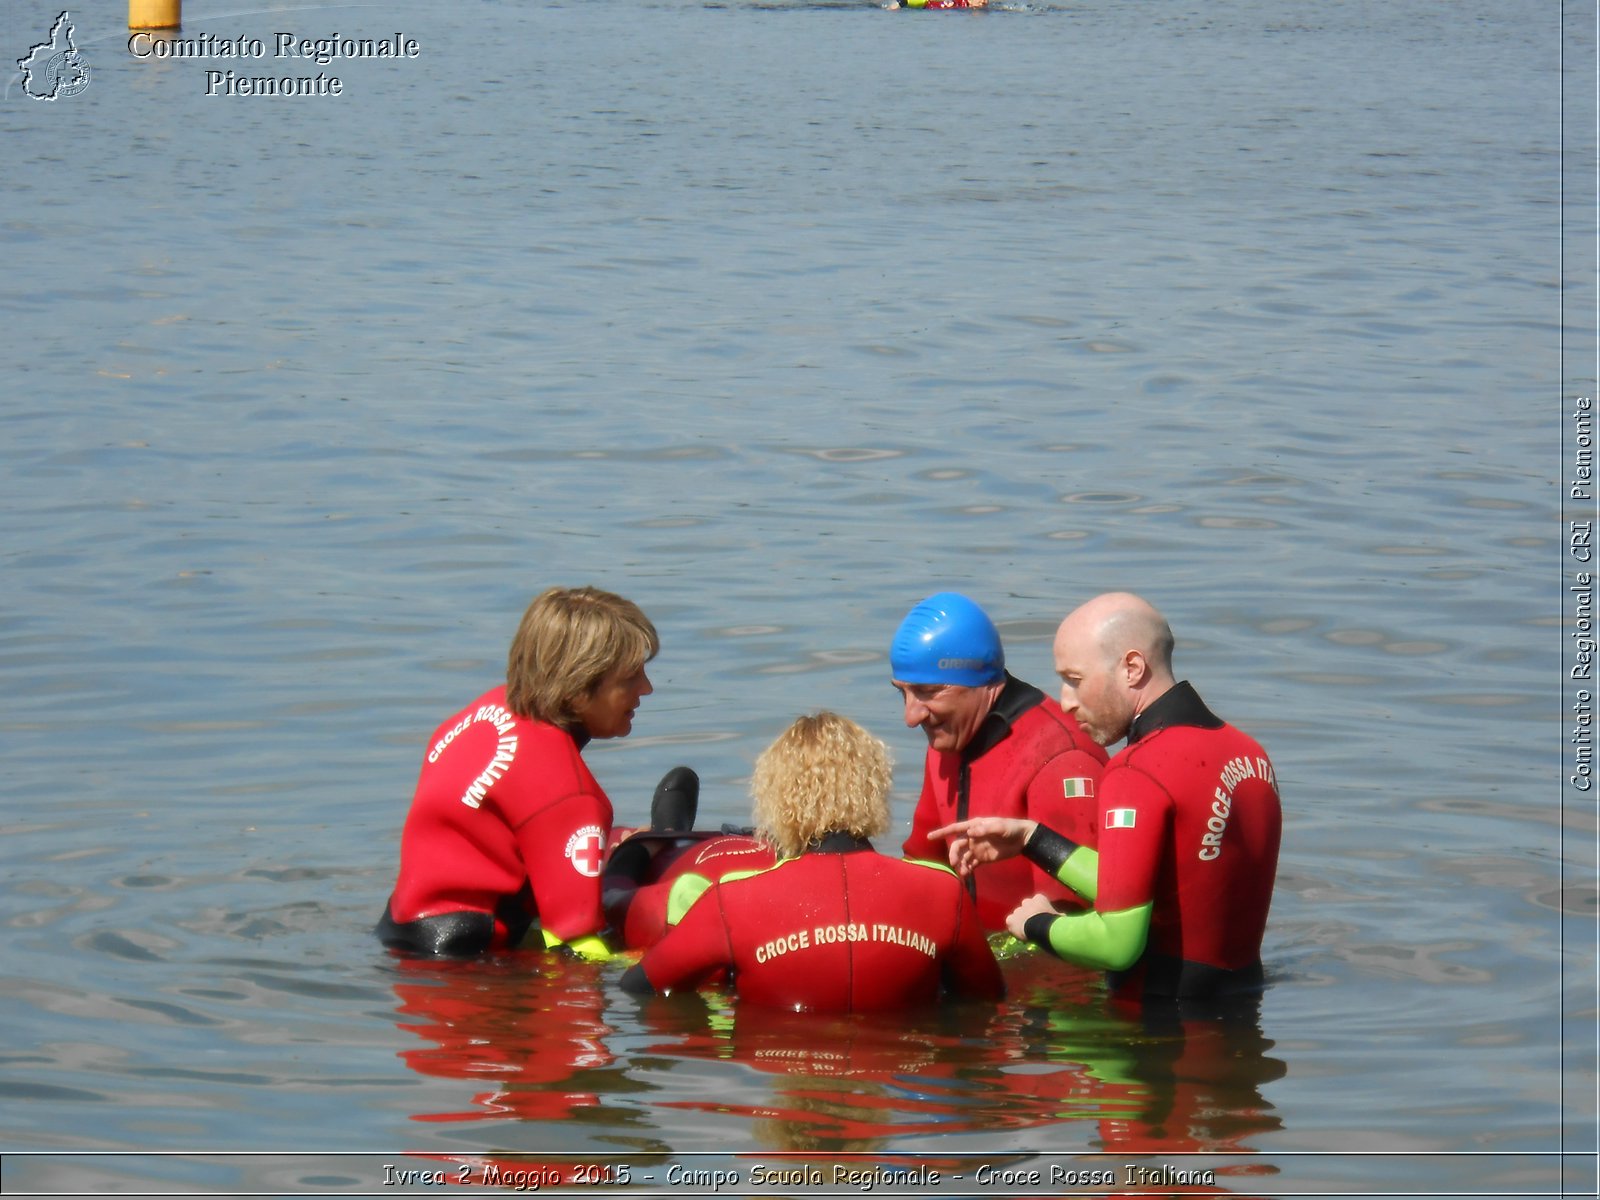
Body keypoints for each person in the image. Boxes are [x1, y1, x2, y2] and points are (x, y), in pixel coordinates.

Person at [932, 592, 1282, 1002]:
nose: (1065, 701)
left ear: (1132, 668)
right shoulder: (1248, 752)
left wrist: (1037, 924)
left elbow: (1116, 944)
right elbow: (1168, 885)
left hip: (1158, 1034)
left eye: (1075, 680)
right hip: (1239, 1011)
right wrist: (1033, 839)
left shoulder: (1137, 770)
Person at [376, 585, 698, 959]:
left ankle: (636, 846)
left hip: (401, 926)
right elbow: (577, 944)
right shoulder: (572, 797)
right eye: (629, 679)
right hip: (467, 961)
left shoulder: (479, 716)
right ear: (577, 689)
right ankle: (646, 849)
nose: (647, 688)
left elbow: (511, 818)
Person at [620, 712, 1004, 1011]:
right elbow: (987, 997)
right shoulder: (943, 892)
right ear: (875, 789)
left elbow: (639, 987)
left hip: (772, 1064)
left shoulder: (733, 901)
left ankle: (647, 844)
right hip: (900, 1087)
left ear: (776, 797)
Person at [891, 592, 1108, 930]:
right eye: (901, 692)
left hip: (1050, 969)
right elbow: (923, 866)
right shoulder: (947, 741)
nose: (911, 715)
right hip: (982, 960)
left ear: (981, 681)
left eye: (928, 691)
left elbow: (1078, 915)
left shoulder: (1063, 758)